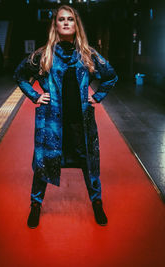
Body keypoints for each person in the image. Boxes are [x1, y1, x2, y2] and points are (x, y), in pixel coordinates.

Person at [13, 5, 118, 229]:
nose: (66, 22)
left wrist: (97, 97)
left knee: (89, 163)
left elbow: (110, 76)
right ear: (56, 25)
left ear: (76, 24)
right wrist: (35, 96)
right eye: (62, 19)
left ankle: (97, 203)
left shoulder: (87, 54)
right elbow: (20, 75)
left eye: (71, 19)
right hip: (52, 122)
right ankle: (35, 205)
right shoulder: (44, 54)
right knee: (44, 163)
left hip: (81, 122)